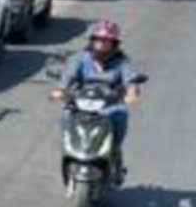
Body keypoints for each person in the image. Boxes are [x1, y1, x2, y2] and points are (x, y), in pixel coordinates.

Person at [53, 19, 142, 183]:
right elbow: (68, 76)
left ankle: (114, 152)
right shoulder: (81, 58)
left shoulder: (122, 61)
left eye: (106, 41)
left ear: (114, 44)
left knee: (121, 115)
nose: (101, 44)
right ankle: (71, 148)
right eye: (98, 40)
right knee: (65, 116)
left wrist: (131, 93)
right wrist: (60, 90)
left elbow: (131, 82)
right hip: (81, 101)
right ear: (92, 41)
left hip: (110, 104)